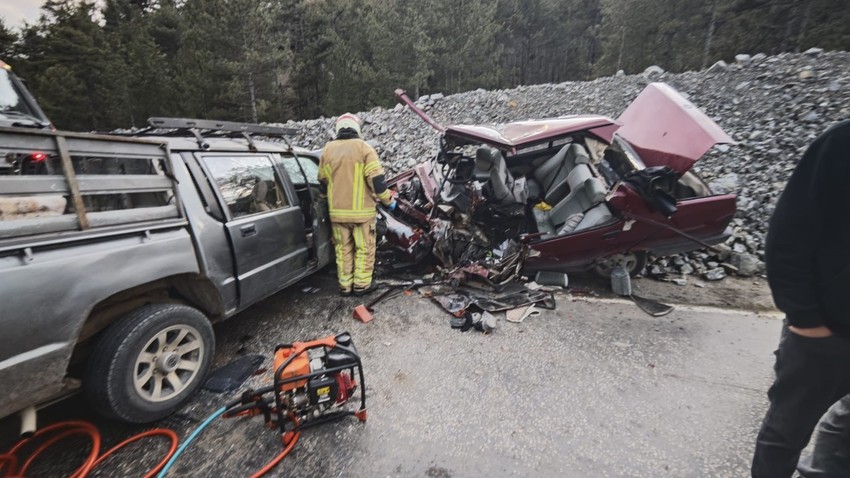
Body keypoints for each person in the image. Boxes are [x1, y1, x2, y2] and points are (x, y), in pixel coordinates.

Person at [752, 119, 850, 478]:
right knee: (785, 432)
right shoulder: (841, 143)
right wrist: (806, 320)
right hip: (825, 331)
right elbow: (788, 235)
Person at [318, 113, 396, 296]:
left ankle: (345, 286)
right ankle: (361, 285)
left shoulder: (328, 150)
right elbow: (377, 182)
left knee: (342, 249)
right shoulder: (365, 149)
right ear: (357, 128)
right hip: (362, 214)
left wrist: (324, 201)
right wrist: (388, 201)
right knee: (364, 248)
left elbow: (322, 181)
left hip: (337, 214)